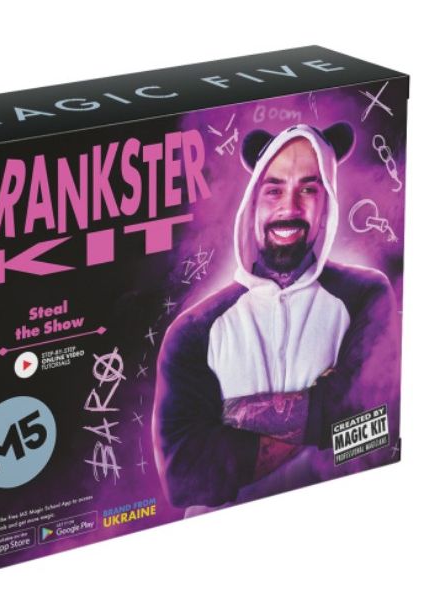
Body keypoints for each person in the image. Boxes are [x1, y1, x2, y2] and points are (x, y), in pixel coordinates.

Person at [151, 122, 401, 518]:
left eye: (309, 189)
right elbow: (184, 476)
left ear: (328, 203)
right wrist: (323, 418)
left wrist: (228, 417)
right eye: (274, 190)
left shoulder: (366, 296)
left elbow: (376, 421)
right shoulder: (192, 330)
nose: (290, 207)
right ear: (252, 202)